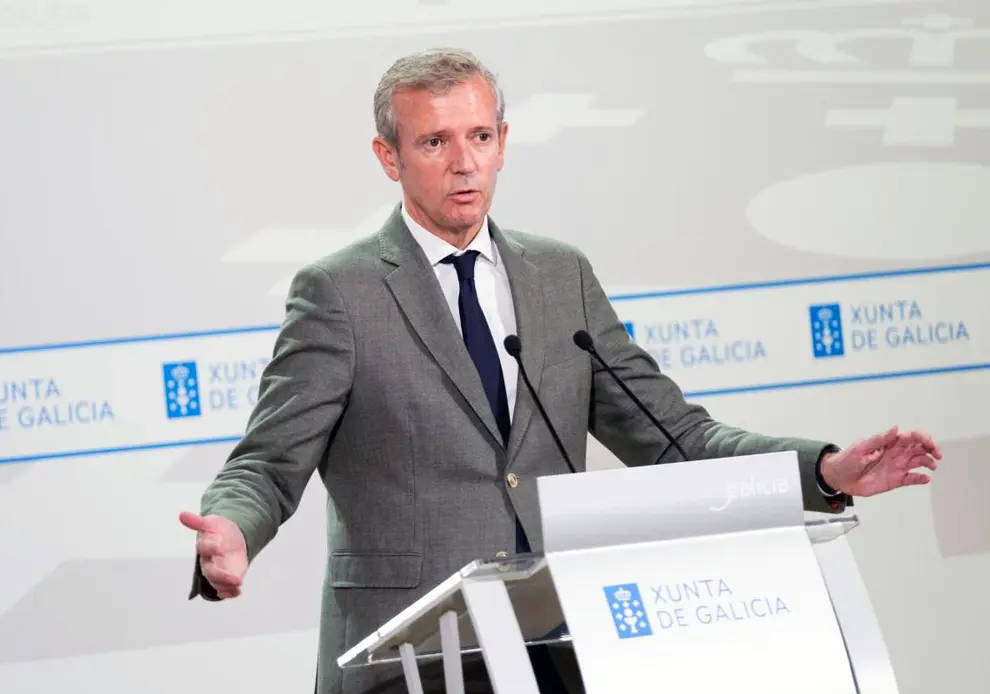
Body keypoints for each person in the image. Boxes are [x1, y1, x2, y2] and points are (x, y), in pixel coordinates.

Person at [179, 48, 941, 694]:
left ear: (503, 142)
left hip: (557, 650)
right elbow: (267, 464)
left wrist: (824, 470)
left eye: (480, 136)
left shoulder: (559, 276)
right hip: (407, 661)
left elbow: (676, 438)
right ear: (389, 157)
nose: (464, 162)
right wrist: (233, 529)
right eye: (435, 142)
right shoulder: (340, 293)